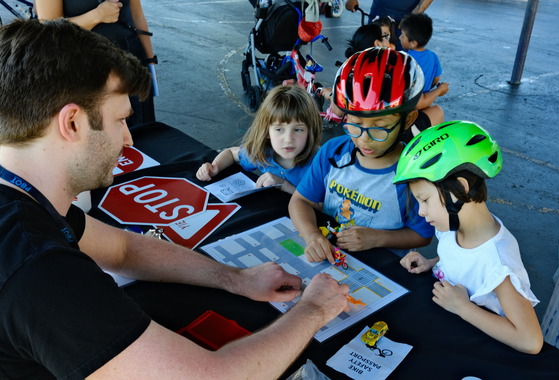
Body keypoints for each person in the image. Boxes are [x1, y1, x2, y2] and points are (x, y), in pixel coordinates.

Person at [0, 19, 349, 378]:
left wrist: (236, 279)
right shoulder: (37, 269)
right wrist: (314, 310)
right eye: (120, 120)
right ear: (72, 123)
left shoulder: (24, 197)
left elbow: (122, 248)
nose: (129, 140)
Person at [394, 121, 543, 354]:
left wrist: (463, 308)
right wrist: (432, 263)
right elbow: (464, 261)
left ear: (458, 190)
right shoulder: (452, 226)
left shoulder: (498, 263)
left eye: (424, 200)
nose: (421, 211)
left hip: (478, 349)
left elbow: (530, 341)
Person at [289, 47, 434, 263]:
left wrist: (377, 238)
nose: (364, 139)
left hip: (384, 269)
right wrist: (312, 236)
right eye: (355, 124)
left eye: (380, 127)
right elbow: (299, 201)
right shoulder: (333, 152)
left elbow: (422, 235)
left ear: (409, 119)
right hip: (332, 259)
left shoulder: (414, 174)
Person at [36, 0, 157, 127]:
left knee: (142, 127)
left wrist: (150, 62)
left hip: (131, 58)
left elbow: (137, 15)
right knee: (106, 131)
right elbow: (49, 30)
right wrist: (96, 16)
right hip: (87, 65)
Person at [196, 84, 322, 195]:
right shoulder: (263, 151)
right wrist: (215, 166)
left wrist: (283, 185)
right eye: (279, 129)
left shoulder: (320, 163)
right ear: (266, 131)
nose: (288, 139)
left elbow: (321, 206)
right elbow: (231, 153)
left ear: (310, 131)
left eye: (298, 129)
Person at [399, 12, 448, 142]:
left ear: (413, 43)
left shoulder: (405, 58)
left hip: (406, 109)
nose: (399, 38)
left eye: (403, 36)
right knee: (437, 112)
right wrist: (430, 87)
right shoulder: (433, 57)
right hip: (423, 105)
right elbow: (436, 79)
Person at [345, 0, 434, 50]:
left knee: (398, 61)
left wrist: (412, 16)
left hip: (404, 19)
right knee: (368, 52)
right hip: (378, 13)